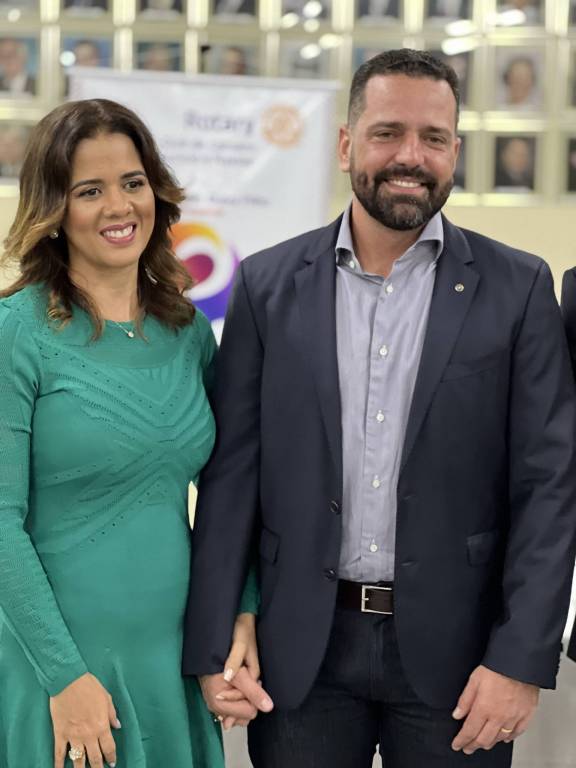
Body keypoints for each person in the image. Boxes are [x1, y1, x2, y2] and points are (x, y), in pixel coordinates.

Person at [183, 49, 576, 767]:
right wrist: (216, 637)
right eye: (387, 133)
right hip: (299, 657)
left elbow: (548, 486)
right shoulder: (267, 285)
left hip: (462, 663)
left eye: (433, 138)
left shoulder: (518, 289)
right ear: (346, 145)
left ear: (455, 151)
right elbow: (232, 475)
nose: (410, 157)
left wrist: (521, 658)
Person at [0, 97, 265, 768]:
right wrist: (64, 677)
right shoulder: (17, 331)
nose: (118, 207)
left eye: (133, 182)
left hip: (171, 662)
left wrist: (238, 614)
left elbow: (231, 491)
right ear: (55, 208)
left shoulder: (186, 331)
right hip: (61, 676)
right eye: (89, 190)